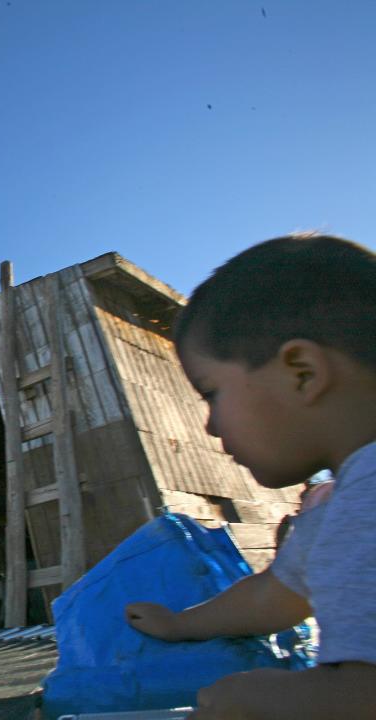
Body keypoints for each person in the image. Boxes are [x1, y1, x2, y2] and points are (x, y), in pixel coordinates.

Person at [124, 234, 376, 718]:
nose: (211, 426)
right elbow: (274, 595)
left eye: (211, 393)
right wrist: (180, 624)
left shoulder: (367, 505)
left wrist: (256, 700)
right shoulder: (338, 516)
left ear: (301, 372)